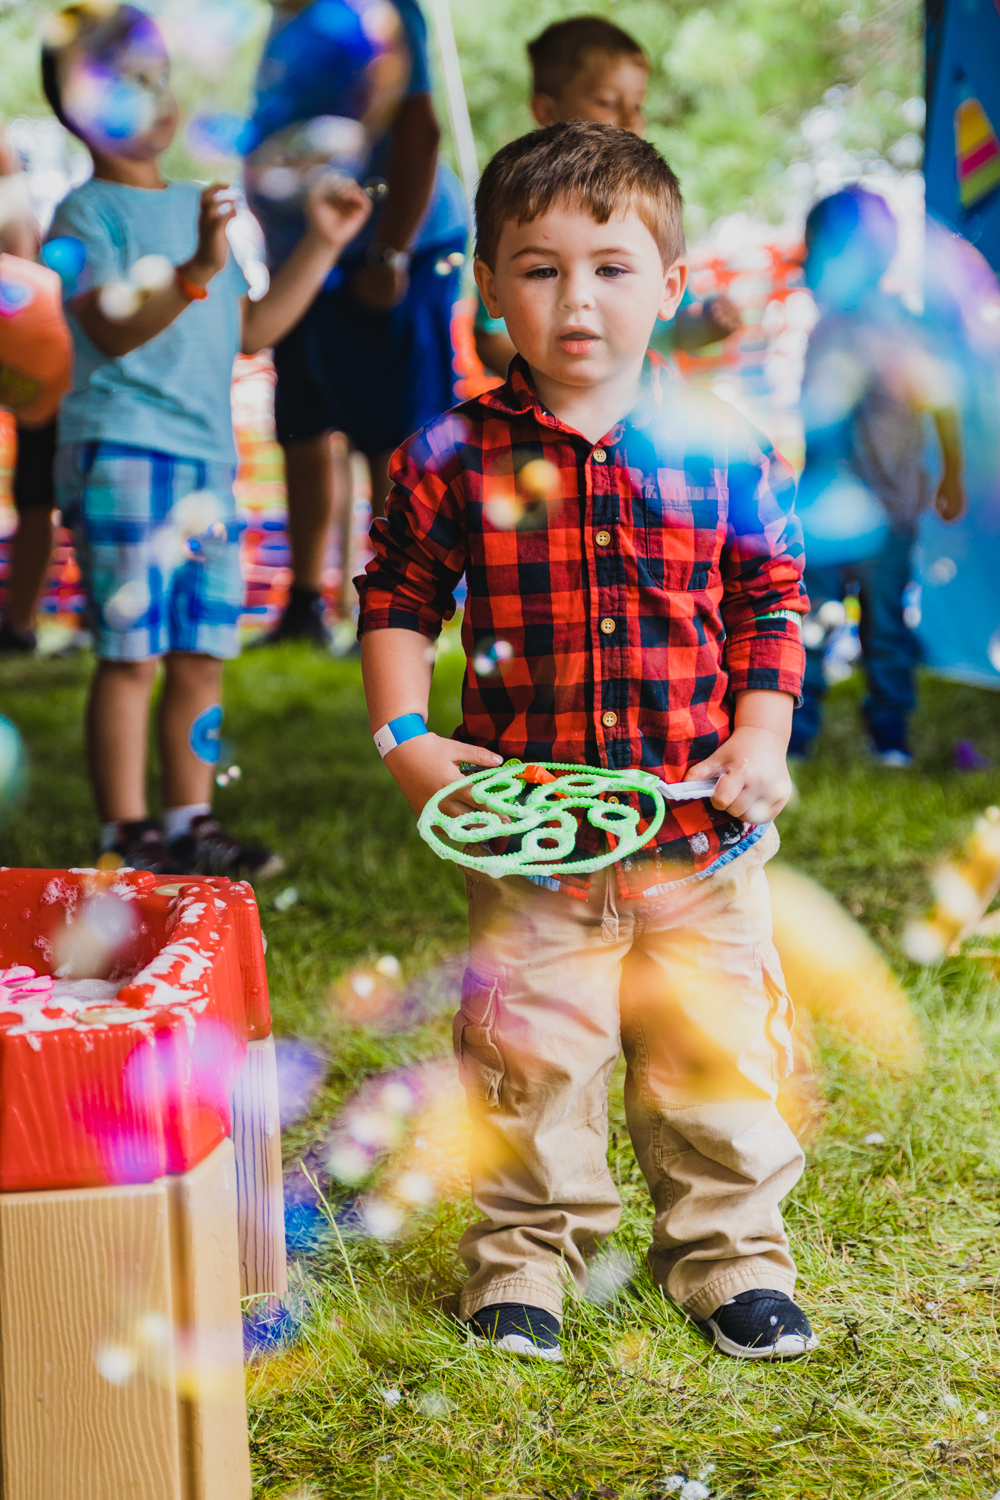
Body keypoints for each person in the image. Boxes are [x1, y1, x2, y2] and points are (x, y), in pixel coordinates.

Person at [358, 120, 817, 1362]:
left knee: (710, 1059)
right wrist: (405, 734)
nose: (577, 297)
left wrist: (761, 730)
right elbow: (397, 597)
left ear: (667, 285)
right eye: (541, 266)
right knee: (529, 1062)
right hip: (533, 840)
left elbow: (769, 598)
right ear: (493, 288)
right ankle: (525, 1260)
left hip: (697, 839)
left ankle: (729, 1255)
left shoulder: (723, 445)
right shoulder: (449, 456)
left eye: (612, 266)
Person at [42, 1, 372, 873]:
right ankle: (127, 830)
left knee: (200, 650)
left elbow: (254, 329)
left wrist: (325, 246)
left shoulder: (203, 207)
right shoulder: (85, 217)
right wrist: (190, 270)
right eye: (133, 84)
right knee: (133, 652)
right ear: (81, 108)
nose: (158, 97)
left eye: (162, 79)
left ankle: (190, 820)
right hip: (122, 452)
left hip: (203, 462)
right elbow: (111, 326)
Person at [244, 0, 468, 647]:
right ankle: (307, 605)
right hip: (306, 261)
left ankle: (404, 607)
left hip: (390, 255)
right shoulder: (287, 20)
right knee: (300, 424)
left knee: (392, 436)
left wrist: (389, 250)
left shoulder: (385, 11)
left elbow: (419, 129)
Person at [789, 186, 966, 765]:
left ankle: (889, 736)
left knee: (887, 628)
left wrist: (952, 476)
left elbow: (943, 406)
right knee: (810, 627)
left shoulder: (906, 328)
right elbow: (817, 419)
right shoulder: (824, 330)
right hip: (824, 521)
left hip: (891, 511)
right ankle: (798, 737)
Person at [473, 15, 742, 380]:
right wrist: (562, 380)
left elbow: (673, 328)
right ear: (546, 111)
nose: (631, 119)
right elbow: (489, 338)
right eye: (607, 101)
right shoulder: (522, 208)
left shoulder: (644, 207)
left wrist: (709, 327)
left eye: (638, 104)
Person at [0, 123, 61, 654]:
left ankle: (19, 625)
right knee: (39, 489)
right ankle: (18, 625)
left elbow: (20, 245)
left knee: (40, 489)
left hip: (30, 340)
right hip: (28, 337)